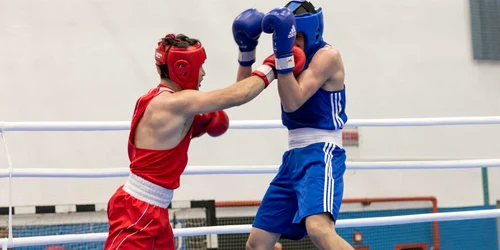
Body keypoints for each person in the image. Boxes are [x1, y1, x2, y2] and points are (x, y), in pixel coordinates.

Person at [103, 33, 305, 250]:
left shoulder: (157, 99)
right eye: (200, 66)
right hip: (138, 211)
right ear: (183, 68)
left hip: (154, 210)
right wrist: (273, 66)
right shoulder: (174, 104)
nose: (203, 73)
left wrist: (190, 129)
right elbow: (238, 95)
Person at [233, 1, 355, 250]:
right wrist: (247, 52)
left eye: (298, 36)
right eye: (290, 37)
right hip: (293, 156)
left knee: (319, 229)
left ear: (313, 32)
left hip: (321, 151)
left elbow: (293, 102)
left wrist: (283, 57)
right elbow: (242, 92)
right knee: (256, 244)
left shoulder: (327, 56)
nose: (294, 43)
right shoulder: (286, 55)